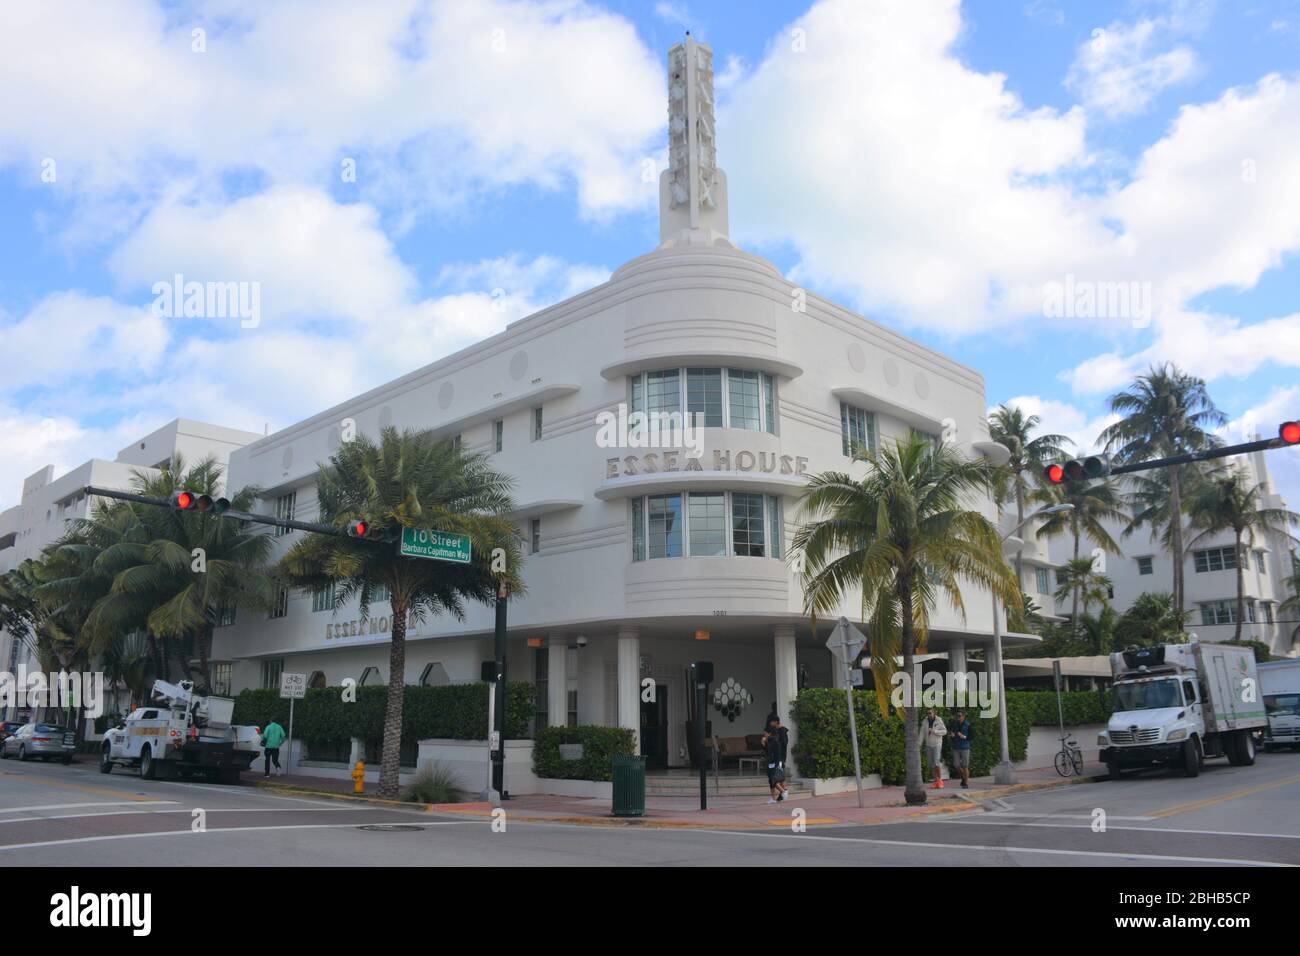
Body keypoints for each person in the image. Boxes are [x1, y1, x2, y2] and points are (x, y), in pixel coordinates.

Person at [922, 707, 947, 789]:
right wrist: (919, 742)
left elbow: (944, 731)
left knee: (936, 762)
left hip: (937, 744)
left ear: (934, 713)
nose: (928, 715)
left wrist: (935, 731)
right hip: (929, 744)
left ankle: (940, 780)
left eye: (930, 713)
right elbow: (922, 732)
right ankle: (935, 781)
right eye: (927, 713)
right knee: (931, 764)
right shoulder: (925, 721)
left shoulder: (938, 720)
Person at [767, 717, 790, 801]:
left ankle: (783, 792)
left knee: (776, 776)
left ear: (776, 722)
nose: (770, 723)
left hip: (779, 757)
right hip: (777, 757)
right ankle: (782, 794)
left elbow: (783, 744)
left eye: (771, 721)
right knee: (780, 776)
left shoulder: (782, 731)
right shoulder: (777, 731)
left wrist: (780, 758)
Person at [949, 708, 973, 789]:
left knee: (965, 765)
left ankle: (965, 782)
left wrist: (964, 736)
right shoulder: (954, 724)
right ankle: (963, 777)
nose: (958, 717)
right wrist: (951, 735)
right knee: (956, 765)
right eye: (957, 716)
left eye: (959, 716)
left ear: (963, 716)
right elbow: (951, 733)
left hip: (965, 747)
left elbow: (971, 736)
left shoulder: (968, 725)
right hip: (956, 747)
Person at [762, 729, 785, 803]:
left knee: (772, 780)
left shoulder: (772, 741)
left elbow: (769, 752)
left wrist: (764, 743)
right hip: (775, 762)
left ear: (769, 733)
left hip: (773, 763)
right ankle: (773, 798)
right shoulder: (774, 740)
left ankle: (782, 791)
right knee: (772, 780)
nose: (764, 735)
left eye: (765, 733)